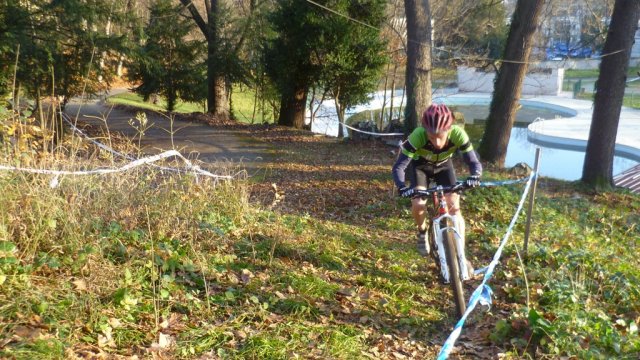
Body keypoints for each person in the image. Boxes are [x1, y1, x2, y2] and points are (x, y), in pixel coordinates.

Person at [391, 104, 482, 274]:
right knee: (418, 203)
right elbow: (399, 167)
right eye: (432, 137)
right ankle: (422, 231)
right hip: (420, 167)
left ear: (450, 128)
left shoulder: (458, 134)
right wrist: (402, 187)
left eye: (441, 136)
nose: (437, 142)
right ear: (425, 131)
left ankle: (461, 254)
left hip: (444, 167)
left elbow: (473, 161)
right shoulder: (418, 135)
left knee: (454, 206)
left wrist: (475, 175)